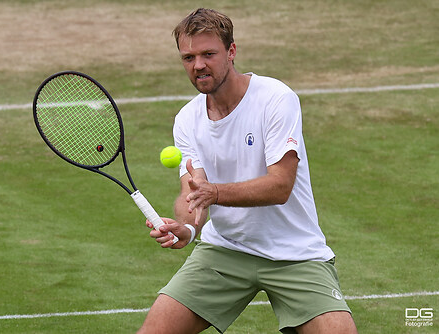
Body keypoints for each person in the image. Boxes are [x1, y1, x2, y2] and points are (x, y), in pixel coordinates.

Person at [137, 8, 358, 334]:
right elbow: (193, 192)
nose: (198, 65)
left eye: (208, 54)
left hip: (294, 253)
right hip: (225, 251)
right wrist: (187, 228)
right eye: (188, 57)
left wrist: (216, 193)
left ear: (231, 51)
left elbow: (280, 186)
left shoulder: (275, 99)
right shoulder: (187, 120)